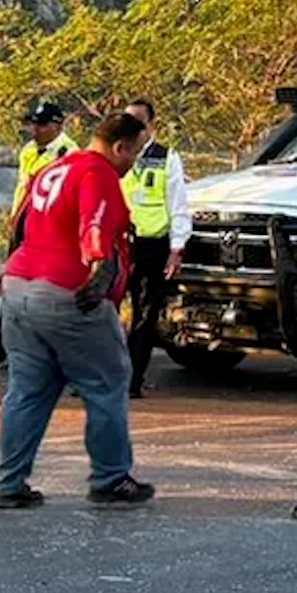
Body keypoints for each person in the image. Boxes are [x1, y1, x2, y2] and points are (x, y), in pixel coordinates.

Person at [0, 110, 155, 510]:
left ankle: (9, 484)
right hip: (67, 290)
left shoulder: (56, 167)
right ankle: (111, 478)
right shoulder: (98, 174)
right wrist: (99, 273)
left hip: (19, 284)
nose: (132, 163)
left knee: (27, 389)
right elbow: (96, 226)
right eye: (133, 154)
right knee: (107, 380)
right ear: (119, 147)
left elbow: (20, 223)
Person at [120, 99, 192, 399]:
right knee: (103, 311)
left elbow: (178, 205)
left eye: (139, 122)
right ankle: (96, 376)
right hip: (120, 242)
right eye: (128, 121)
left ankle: (132, 380)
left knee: (144, 314)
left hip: (152, 245)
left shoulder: (166, 158)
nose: (133, 128)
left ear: (152, 126)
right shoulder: (116, 154)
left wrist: (176, 248)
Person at [10, 100, 78, 217]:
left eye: (42, 124)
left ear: (57, 126)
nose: (35, 128)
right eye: (34, 123)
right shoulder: (29, 149)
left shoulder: (70, 153)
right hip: (24, 218)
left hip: (47, 223)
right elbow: (22, 187)